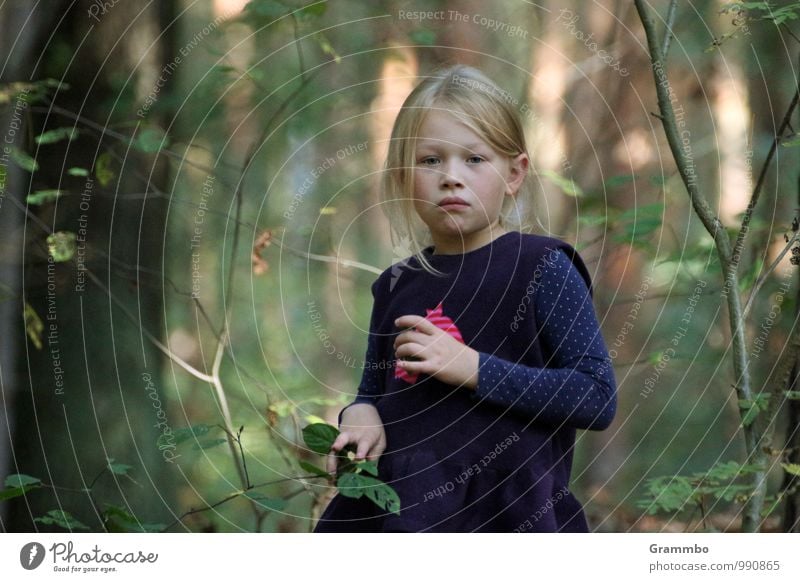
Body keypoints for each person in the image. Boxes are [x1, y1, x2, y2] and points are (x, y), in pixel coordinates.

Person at [313, 64, 616, 533]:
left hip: (507, 515)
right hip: (402, 514)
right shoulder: (396, 284)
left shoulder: (542, 267)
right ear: (401, 176)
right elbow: (371, 391)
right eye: (430, 160)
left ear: (514, 173)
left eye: (474, 160)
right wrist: (360, 414)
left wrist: (474, 369)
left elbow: (596, 397)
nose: (451, 177)